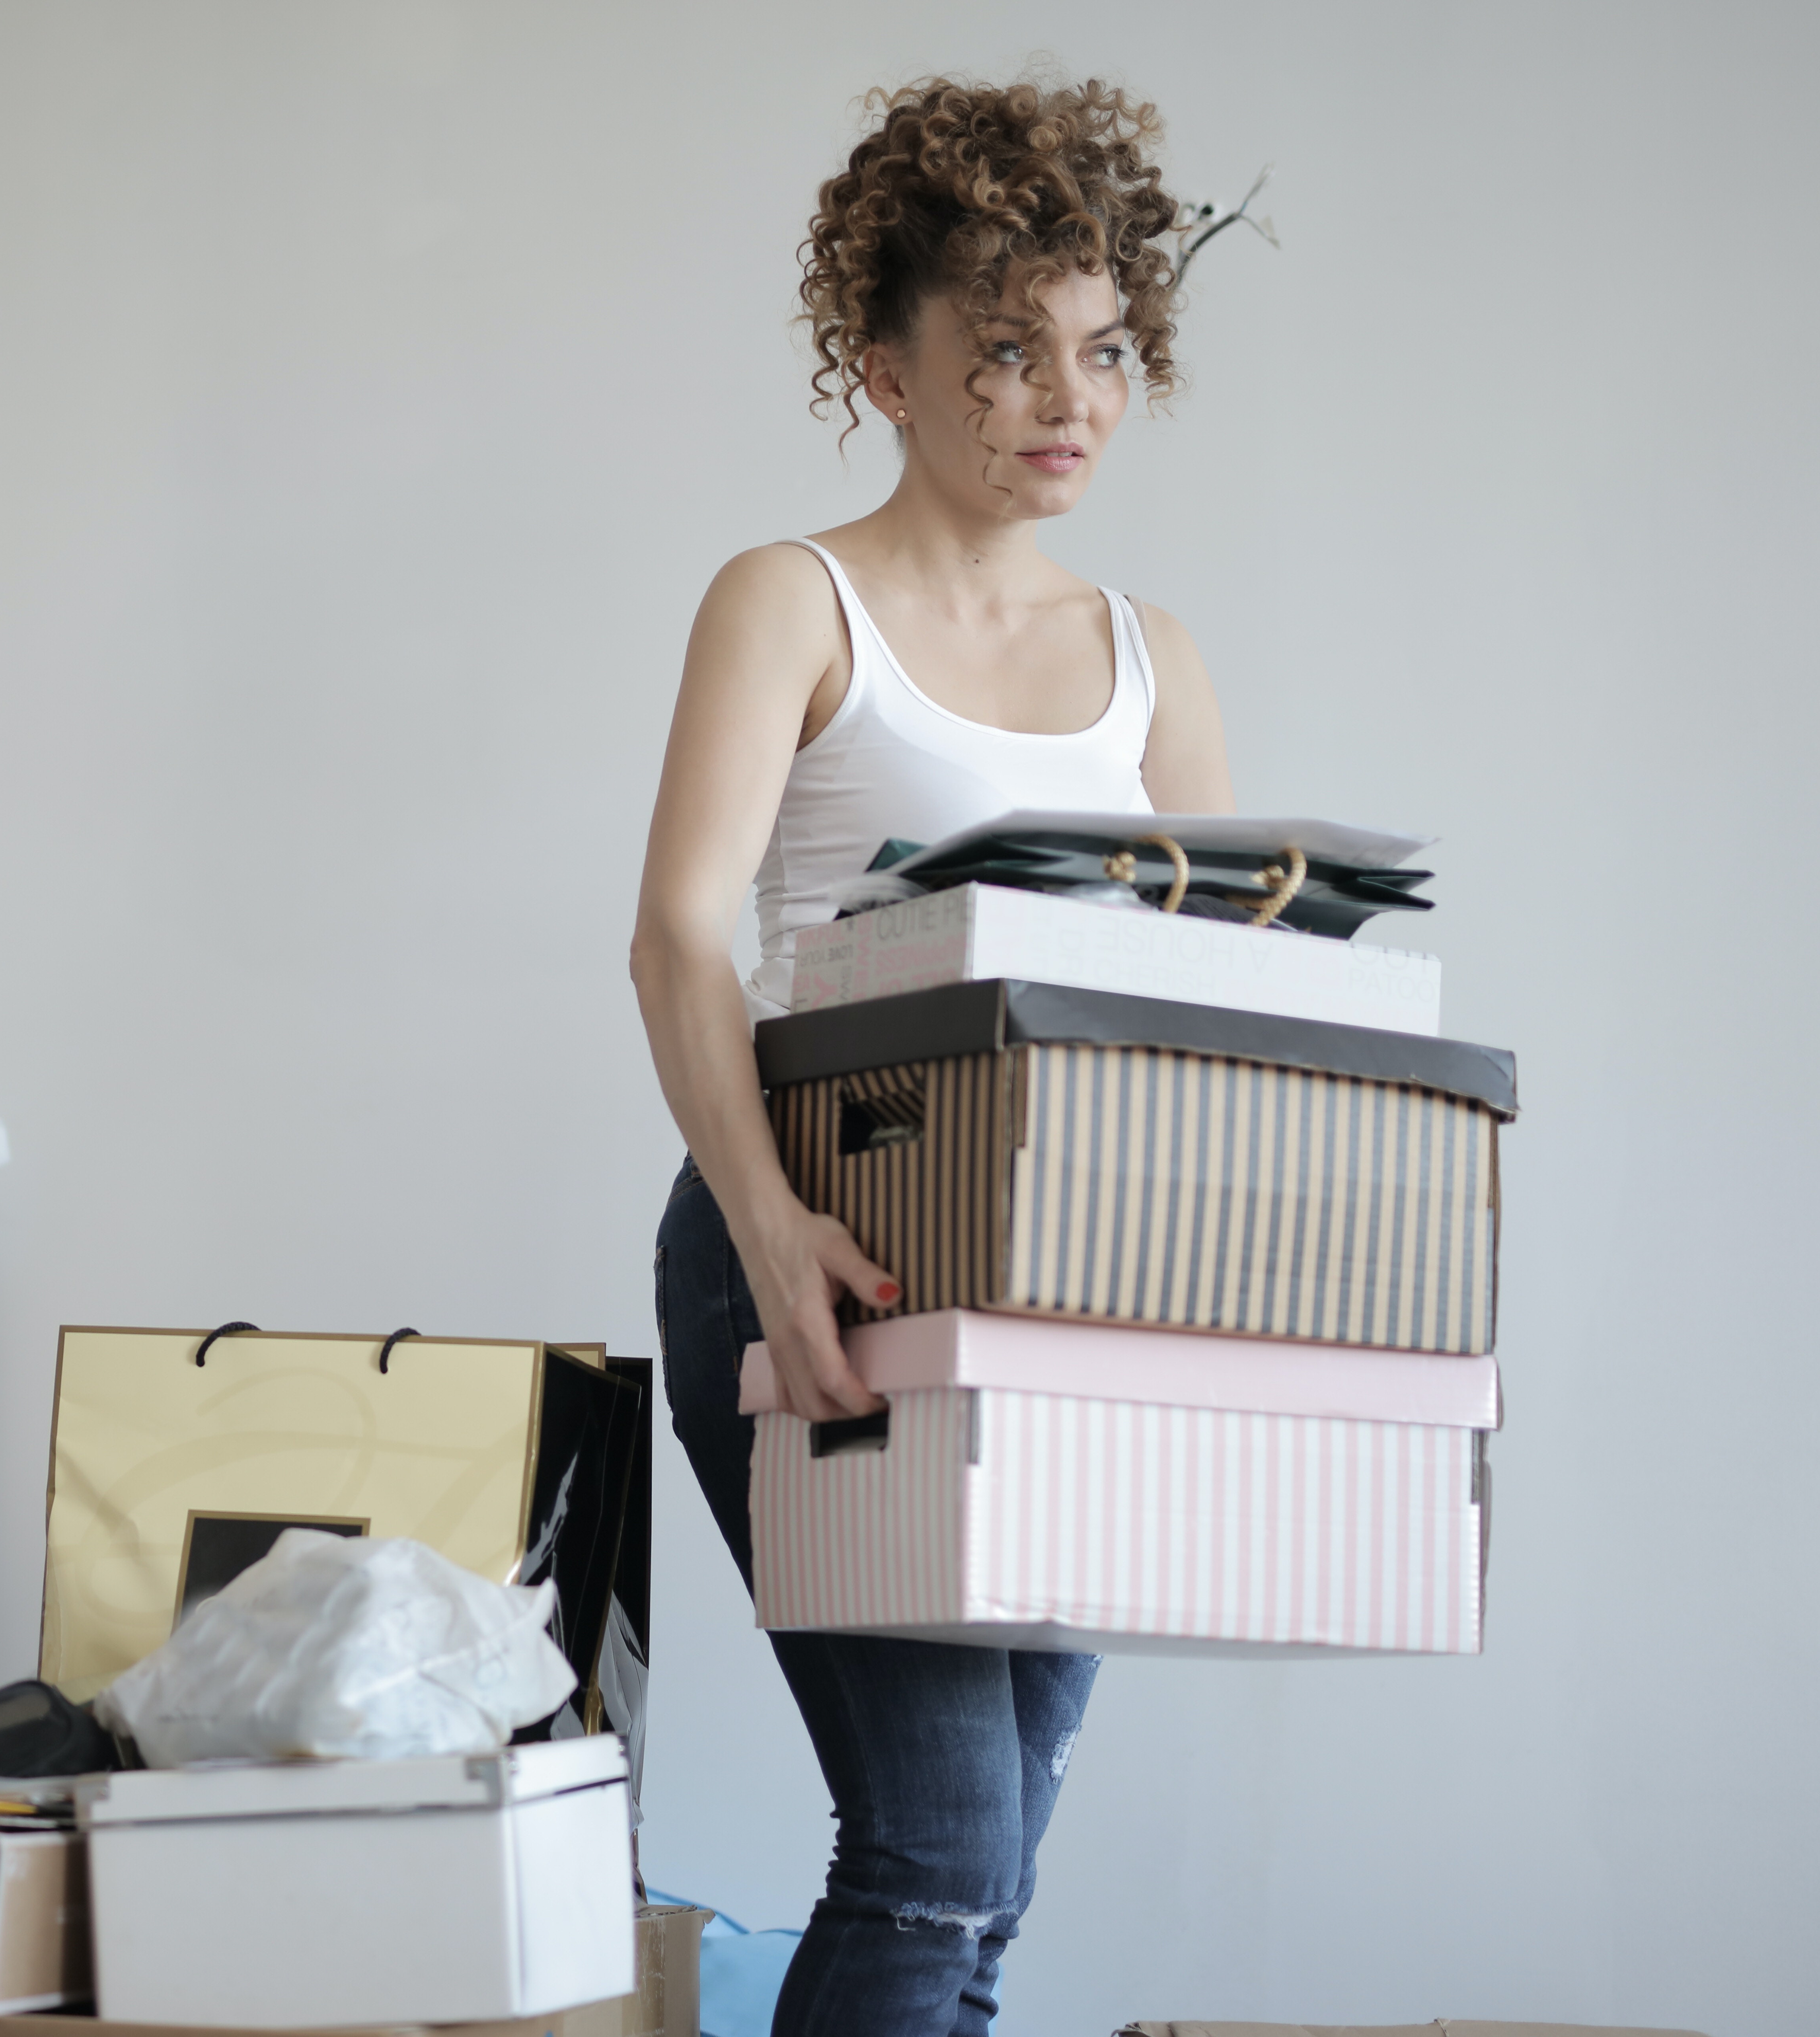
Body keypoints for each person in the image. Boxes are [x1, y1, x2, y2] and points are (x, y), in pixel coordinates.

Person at [628, 76, 1237, 2037]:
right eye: (1003, 352)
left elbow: (1214, 1013)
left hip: (1062, 1282)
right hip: (820, 1238)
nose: (1068, 398)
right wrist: (770, 1225)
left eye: (1103, 349)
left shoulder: (1154, 656)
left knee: (992, 1867)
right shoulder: (790, 600)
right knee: (939, 1844)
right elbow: (679, 938)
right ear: (883, 370)